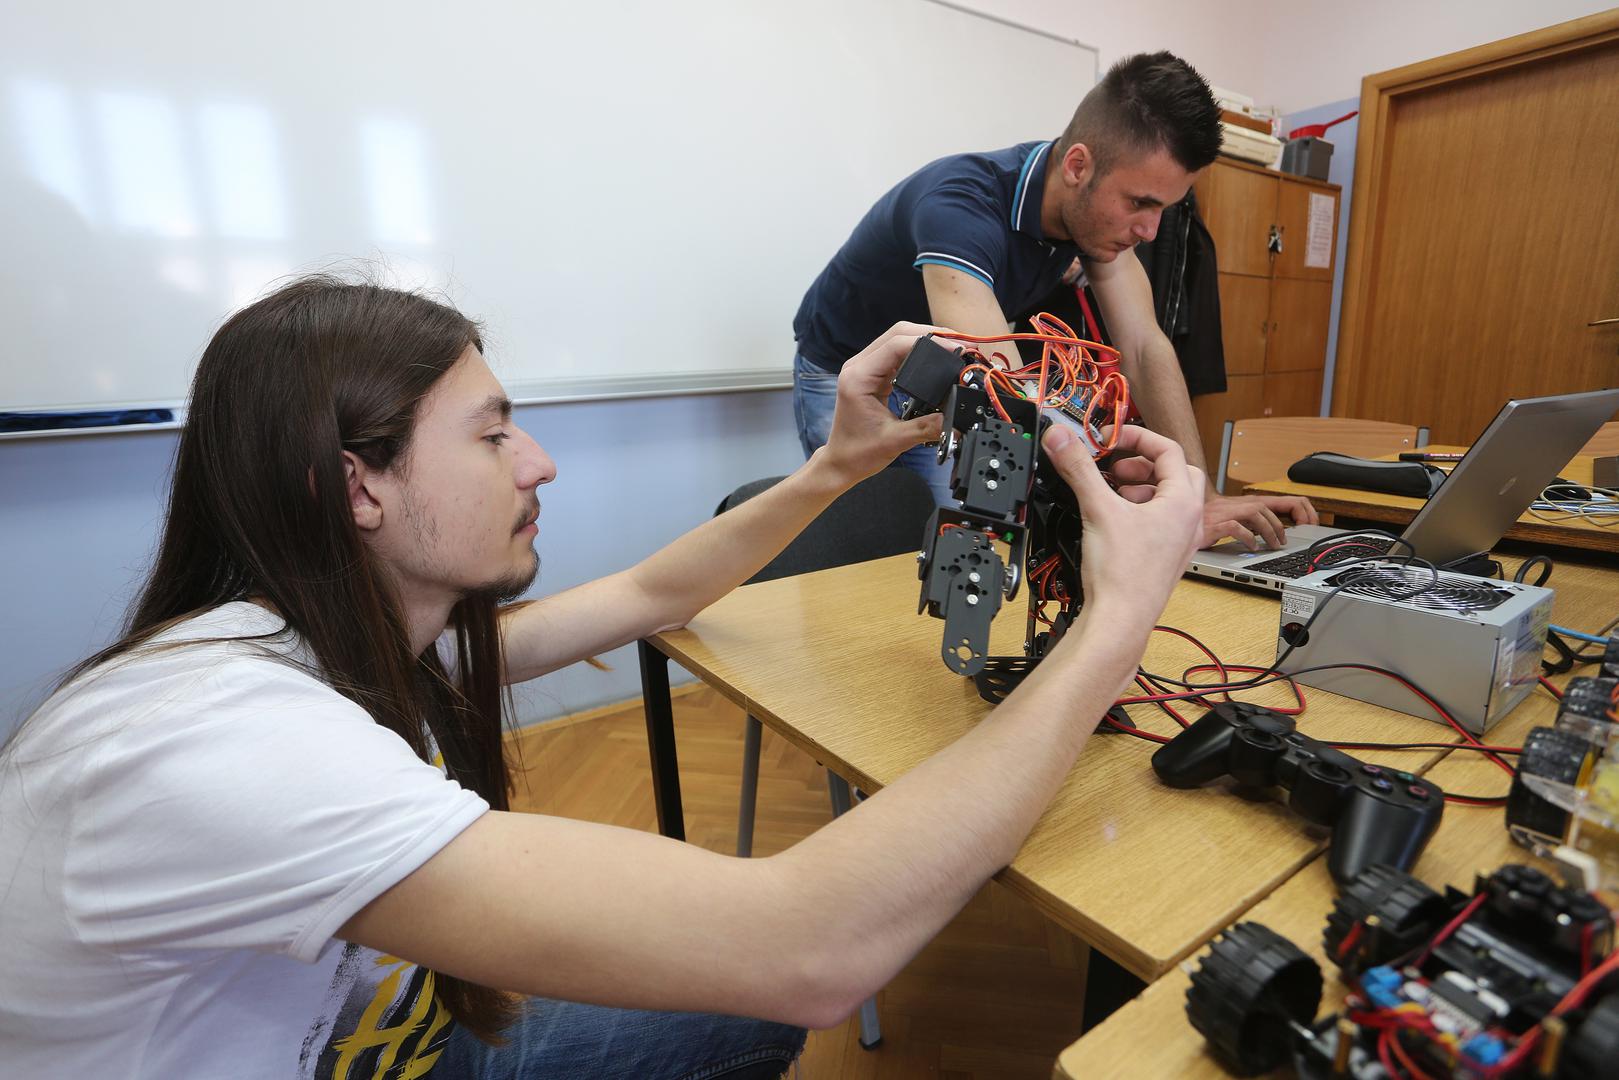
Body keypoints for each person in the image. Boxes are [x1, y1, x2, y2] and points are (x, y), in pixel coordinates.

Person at [0, 275, 1204, 1079]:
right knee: (757, 986)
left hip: (374, 1041)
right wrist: (1115, 619)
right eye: (491, 434)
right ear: (358, 486)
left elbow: (645, 597)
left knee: (727, 1013)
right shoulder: (222, 747)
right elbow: (812, 947)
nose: (538, 462)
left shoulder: (323, 639)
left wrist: (836, 466)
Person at [792, 50, 1317, 550]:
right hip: (852, 375)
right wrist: (1122, 499)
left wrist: (1199, 500)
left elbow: (1143, 347)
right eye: (1140, 203)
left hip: (934, 378)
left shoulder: (1091, 218)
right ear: (1077, 167)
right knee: (877, 545)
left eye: (1166, 209)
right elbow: (1003, 385)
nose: (1151, 231)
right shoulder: (960, 206)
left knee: (970, 540)